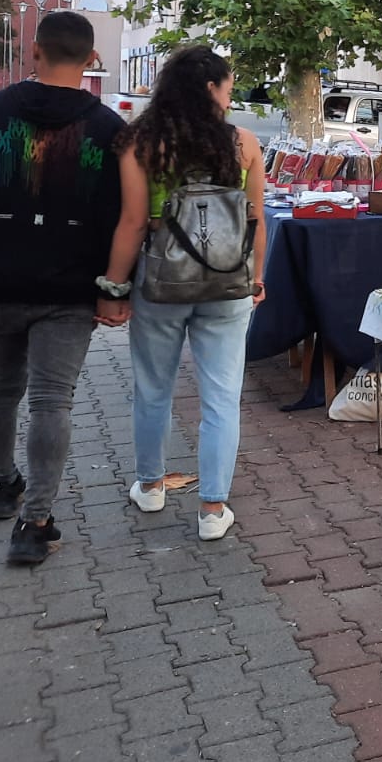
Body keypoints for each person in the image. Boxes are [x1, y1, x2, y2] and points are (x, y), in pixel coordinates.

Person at [0, 11, 124, 565]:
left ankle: (0, 486)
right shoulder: (109, 128)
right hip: (68, 290)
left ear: (35, 52)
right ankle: (34, 521)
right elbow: (119, 216)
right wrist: (117, 288)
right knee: (50, 400)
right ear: (91, 61)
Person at [96, 46, 267, 542]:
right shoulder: (245, 144)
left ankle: (150, 487)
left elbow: (131, 223)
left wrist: (113, 287)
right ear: (211, 88)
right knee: (221, 398)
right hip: (229, 283)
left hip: (160, 281)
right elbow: (256, 222)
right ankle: (212, 510)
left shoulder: (141, 143)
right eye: (229, 87)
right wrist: (258, 279)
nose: (231, 97)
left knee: (153, 389)